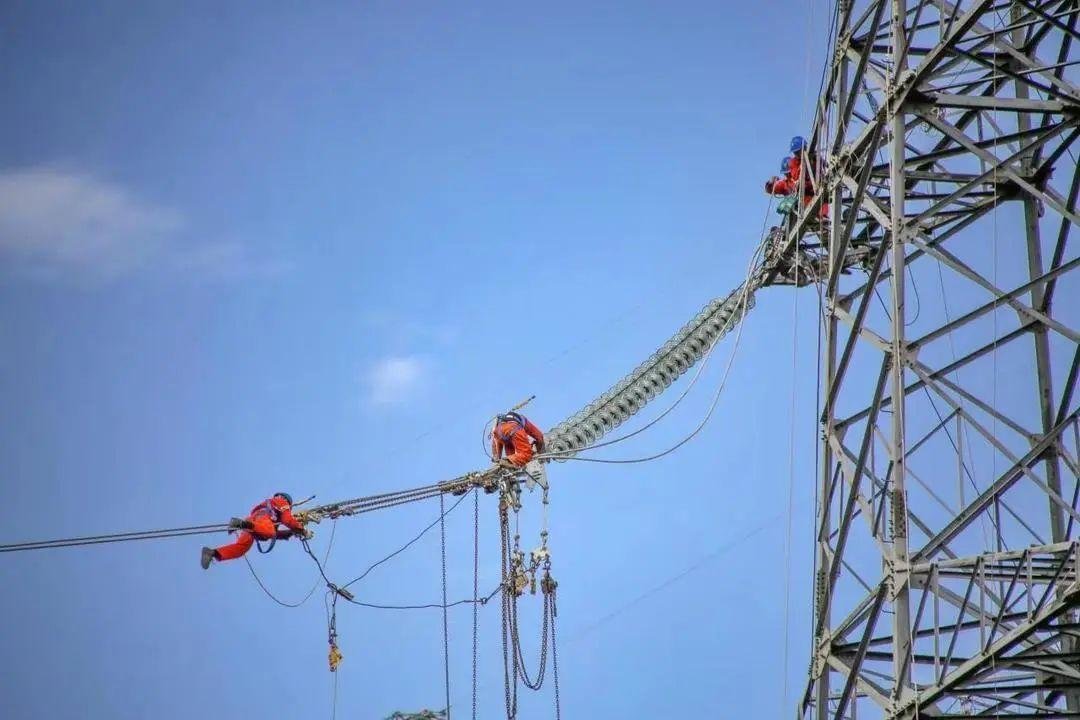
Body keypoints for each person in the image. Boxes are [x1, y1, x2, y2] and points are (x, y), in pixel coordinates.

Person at [201, 492, 310, 569]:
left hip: (253, 523)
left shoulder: (272, 508)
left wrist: (289, 533)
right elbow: (287, 520)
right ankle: (240, 524)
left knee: (241, 548)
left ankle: (212, 553)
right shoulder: (282, 502)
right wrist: (302, 530)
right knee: (269, 532)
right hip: (261, 519)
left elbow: (272, 532)